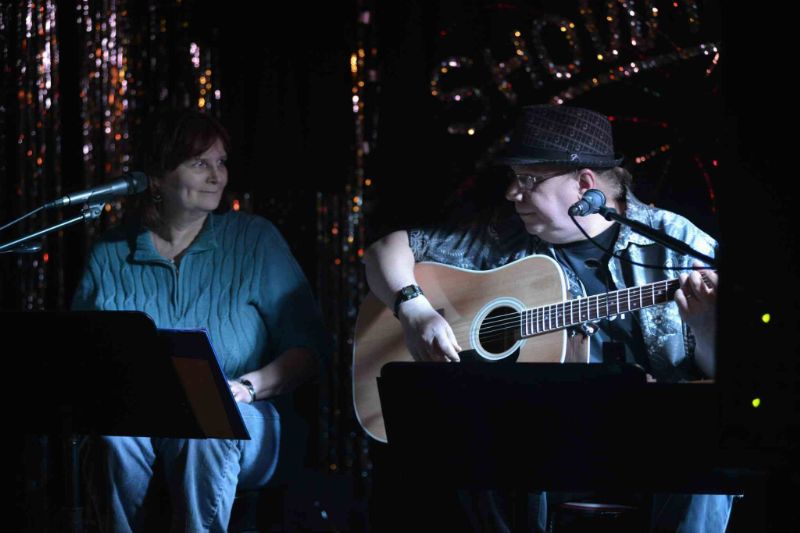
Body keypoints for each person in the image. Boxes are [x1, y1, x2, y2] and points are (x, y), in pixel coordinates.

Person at [363, 104, 731, 531]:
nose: (511, 193)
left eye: (529, 180)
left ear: (585, 185)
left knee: (709, 452)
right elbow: (385, 251)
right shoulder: (503, 237)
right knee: (477, 450)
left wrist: (706, 327)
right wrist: (414, 309)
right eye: (513, 178)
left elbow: (729, 383)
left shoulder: (678, 245)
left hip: (652, 445)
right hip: (539, 444)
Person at [72, 110, 330, 532]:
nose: (217, 176)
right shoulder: (111, 252)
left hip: (246, 414)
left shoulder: (253, 240)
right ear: (157, 178)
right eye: (199, 163)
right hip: (143, 414)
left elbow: (309, 348)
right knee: (112, 436)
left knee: (206, 426)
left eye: (221, 162)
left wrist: (246, 388)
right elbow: (82, 353)